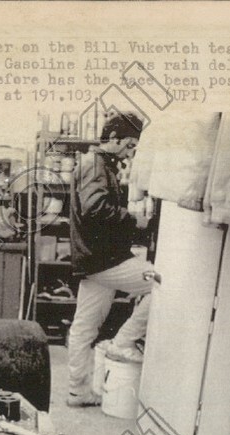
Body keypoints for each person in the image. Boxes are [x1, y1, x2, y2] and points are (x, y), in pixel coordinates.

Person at [66, 111, 156, 407]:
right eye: (129, 145)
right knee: (160, 283)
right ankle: (124, 342)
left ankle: (78, 393)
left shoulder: (97, 163)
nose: (131, 153)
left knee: (83, 328)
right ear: (114, 139)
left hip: (93, 259)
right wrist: (133, 221)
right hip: (104, 259)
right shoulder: (95, 165)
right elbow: (95, 209)